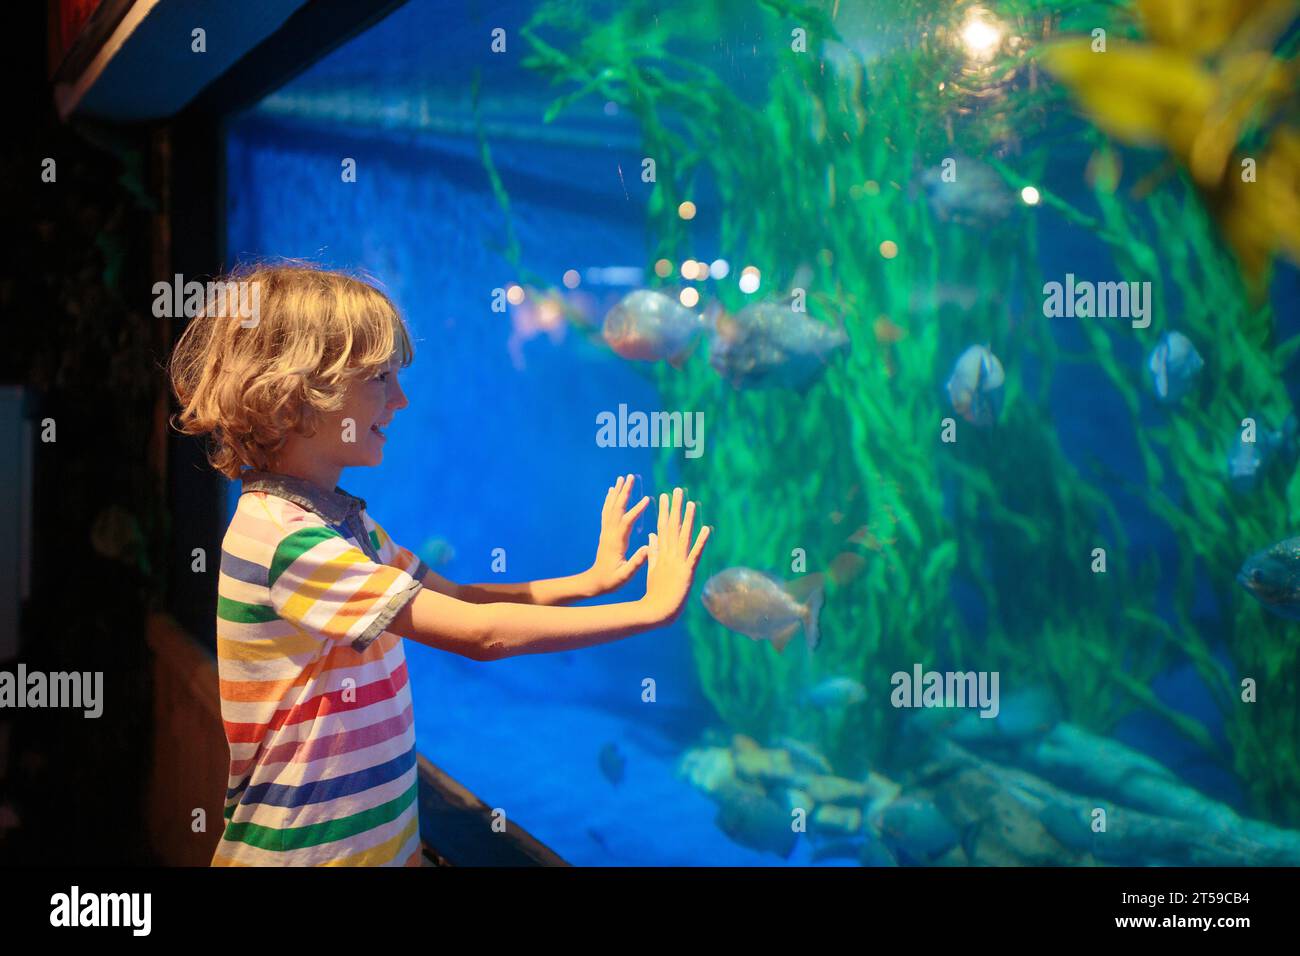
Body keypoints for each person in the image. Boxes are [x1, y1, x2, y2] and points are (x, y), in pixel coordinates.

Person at [167, 263, 710, 866]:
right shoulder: (286, 541)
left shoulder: (346, 527)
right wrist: (646, 611)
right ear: (294, 394)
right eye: (379, 378)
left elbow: (463, 601)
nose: (400, 399)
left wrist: (589, 582)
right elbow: (482, 636)